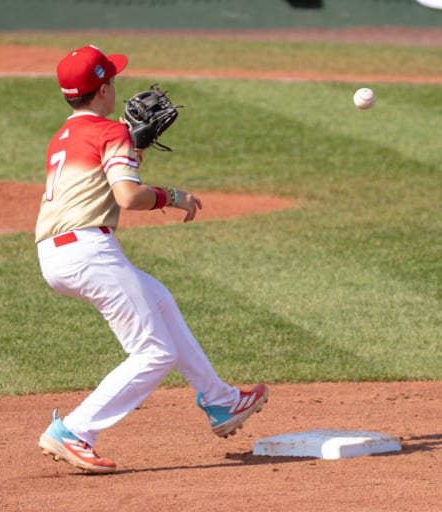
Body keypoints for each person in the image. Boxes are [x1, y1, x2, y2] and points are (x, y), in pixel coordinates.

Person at [35, 45, 268, 474]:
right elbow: (128, 196)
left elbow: (99, 185)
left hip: (56, 254)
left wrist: (133, 151)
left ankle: (221, 401)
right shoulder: (110, 133)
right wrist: (174, 196)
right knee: (154, 352)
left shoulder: (64, 137)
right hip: (89, 252)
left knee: (158, 299)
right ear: (103, 89)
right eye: (112, 79)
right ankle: (74, 430)